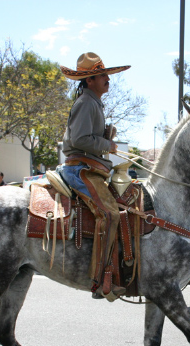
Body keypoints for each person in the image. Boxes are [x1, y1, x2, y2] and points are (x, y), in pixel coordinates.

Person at [59, 51, 130, 299]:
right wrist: (106, 144)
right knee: (110, 215)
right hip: (81, 169)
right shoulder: (86, 103)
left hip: (90, 167)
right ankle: (101, 280)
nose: (107, 79)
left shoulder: (92, 101)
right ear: (89, 80)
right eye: (102, 75)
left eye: (106, 75)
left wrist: (105, 137)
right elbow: (79, 139)